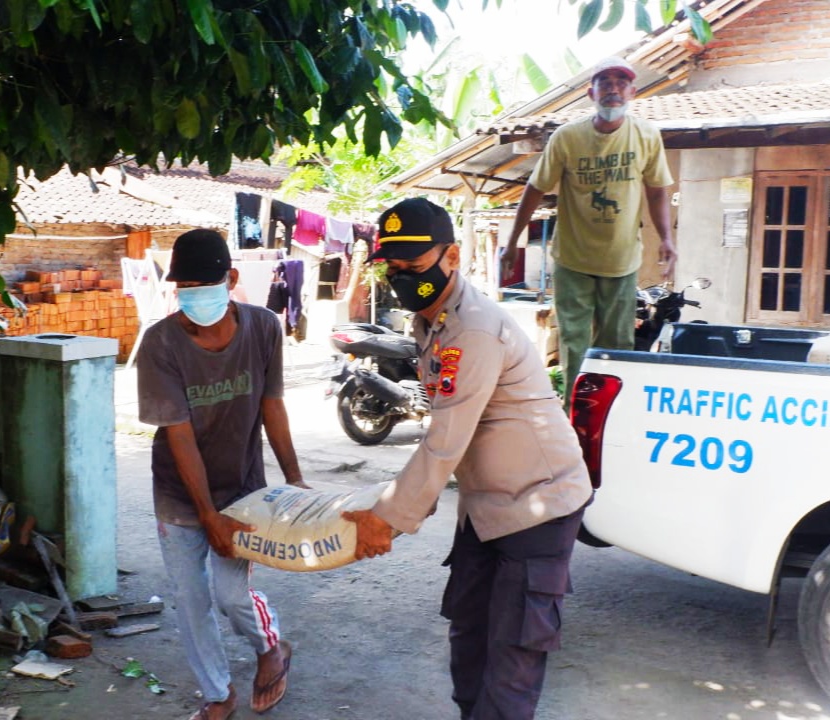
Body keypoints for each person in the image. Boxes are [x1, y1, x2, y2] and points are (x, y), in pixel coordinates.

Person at [343, 198, 593, 720]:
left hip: (538, 503)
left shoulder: (473, 328)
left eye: (414, 267)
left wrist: (386, 520)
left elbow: (446, 438)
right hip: (487, 506)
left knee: (512, 654)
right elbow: (448, 431)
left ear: (452, 257)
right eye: (394, 268)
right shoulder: (433, 322)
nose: (403, 278)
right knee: (469, 633)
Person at [136, 228, 306, 719]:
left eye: (201, 286)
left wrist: (294, 481)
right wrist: (206, 514)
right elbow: (179, 433)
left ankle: (269, 647)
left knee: (232, 597)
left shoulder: (264, 328)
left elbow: (272, 405)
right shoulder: (160, 343)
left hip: (241, 490)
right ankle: (218, 694)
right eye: (182, 288)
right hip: (178, 493)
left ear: (230, 279)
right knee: (191, 602)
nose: (191, 297)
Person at [502, 55, 676, 407]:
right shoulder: (567, 138)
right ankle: (574, 418)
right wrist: (510, 245)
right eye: (605, 82)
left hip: (622, 262)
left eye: (620, 82)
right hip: (573, 260)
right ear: (590, 92)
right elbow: (534, 190)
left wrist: (668, 239)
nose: (613, 89)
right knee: (575, 344)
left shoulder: (646, 135)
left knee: (617, 348)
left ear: (632, 91)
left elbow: (657, 189)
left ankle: (610, 417)